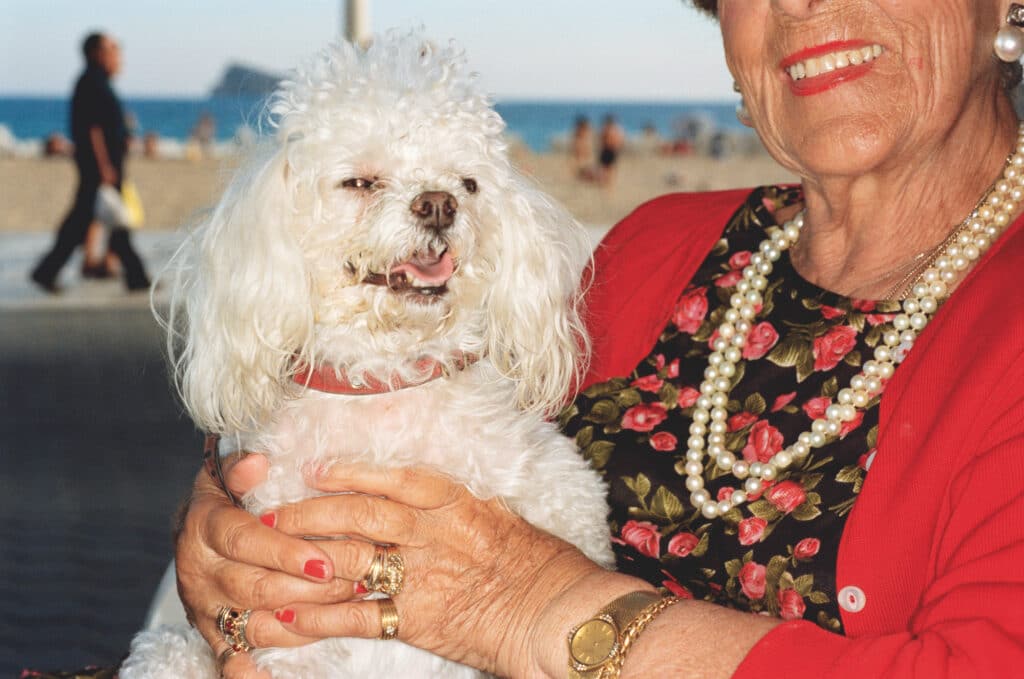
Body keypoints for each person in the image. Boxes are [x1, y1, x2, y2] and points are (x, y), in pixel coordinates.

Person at [173, 1, 1024, 677]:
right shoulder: (650, 247)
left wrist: (534, 607)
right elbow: (391, 371)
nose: (800, 2)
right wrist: (233, 521)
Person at [30, 32, 150, 293]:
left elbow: (106, 126)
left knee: (88, 221)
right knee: (101, 221)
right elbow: (93, 129)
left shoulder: (98, 83)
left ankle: (47, 271)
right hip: (100, 170)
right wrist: (104, 165)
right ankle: (136, 276)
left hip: (102, 168)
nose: (118, 55)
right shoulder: (91, 83)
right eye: (113, 49)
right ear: (96, 53)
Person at [597, 114, 626, 188]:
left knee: (609, 169)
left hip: (610, 150)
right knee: (606, 169)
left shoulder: (610, 129)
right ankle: (607, 184)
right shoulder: (610, 129)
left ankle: (608, 184)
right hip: (608, 150)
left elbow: (619, 141)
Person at [571, 114, 596, 181]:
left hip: (585, 156)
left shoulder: (584, 133)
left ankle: (583, 176)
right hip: (583, 155)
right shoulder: (580, 134)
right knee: (582, 165)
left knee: (583, 165)